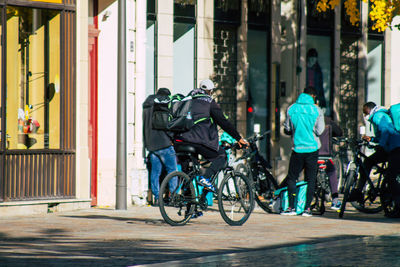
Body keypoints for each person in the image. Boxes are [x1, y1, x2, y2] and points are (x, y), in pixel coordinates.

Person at [175, 79, 248, 192]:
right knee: (221, 156)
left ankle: (191, 207)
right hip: (198, 140)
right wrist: (238, 138)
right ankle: (205, 177)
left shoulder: (188, 99)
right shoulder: (209, 102)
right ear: (210, 91)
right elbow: (223, 122)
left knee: (189, 174)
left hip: (181, 141)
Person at [283, 86, 325, 217]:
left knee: (292, 178)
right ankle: (307, 208)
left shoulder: (291, 108)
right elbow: (320, 130)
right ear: (313, 96)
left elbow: (288, 128)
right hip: (312, 149)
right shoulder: (317, 110)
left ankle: (291, 207)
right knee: (311, 178)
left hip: (297, 149)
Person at [349, 102, 400, 202]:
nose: (364, 115)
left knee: (391, 177)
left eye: (365, 112)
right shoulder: (379, 115)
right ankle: (359, 191)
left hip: (395, 147)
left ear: (369, 109)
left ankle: (397, 205)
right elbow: (382, 135)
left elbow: (386, 131)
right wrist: (372, 139)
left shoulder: (378, 116)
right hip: (391, 147)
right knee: (368, 162)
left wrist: (381, 145)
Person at [142, 88, 177, 206]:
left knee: (155, 173)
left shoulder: (146, 105)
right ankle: (174, 197)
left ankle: (157, 198)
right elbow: (166, 124)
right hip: (164, 143)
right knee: (172, 171)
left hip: (151, 145)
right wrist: (172, 138)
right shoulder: (162, 103)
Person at [319, 116, 343, 210]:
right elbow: (339, 132)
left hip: (310, 153)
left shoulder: (306, 119)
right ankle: (335, 200)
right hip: (325, 153)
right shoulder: (327, 120)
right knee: (332, 172)